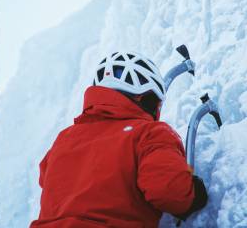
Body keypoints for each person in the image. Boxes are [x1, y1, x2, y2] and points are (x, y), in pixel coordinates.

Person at [31, 51, 208, 227]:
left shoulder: (64, 138)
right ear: (144, 98)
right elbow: (170, 192)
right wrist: (193, 194)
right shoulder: (149, 133)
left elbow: (46, 180)